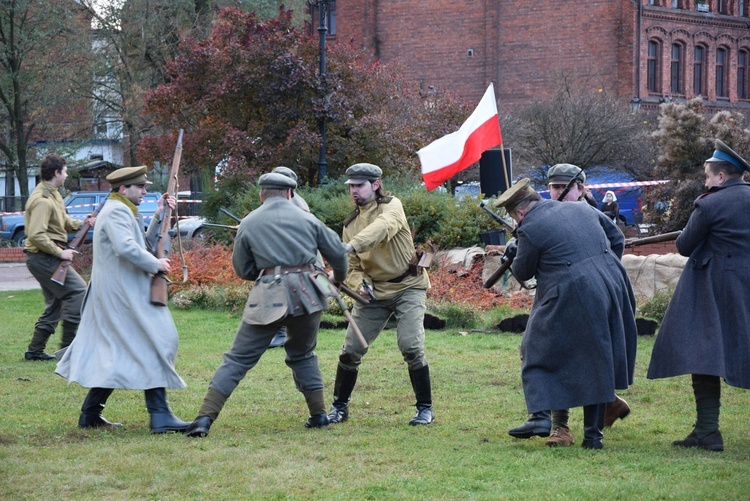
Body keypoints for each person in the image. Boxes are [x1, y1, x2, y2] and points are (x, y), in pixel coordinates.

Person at [185, 172, 348, 438]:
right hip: (309, 293)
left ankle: (204, 419)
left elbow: (243, 269)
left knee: (237, 358)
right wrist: (338, 279)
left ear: (262, 194)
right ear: (289, 193)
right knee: (303, 353)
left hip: (269, 294)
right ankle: (319, 415)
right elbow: (339, 252)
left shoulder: (250, 222)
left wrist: (267, 273)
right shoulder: (309, 219)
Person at [500, 175, 637, 449]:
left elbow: (524, 271)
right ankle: (592, 437)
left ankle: (542, 418)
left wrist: (513, 253)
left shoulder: (530, 227)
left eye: (516, 218)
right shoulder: (583, 208)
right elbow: (616, 237)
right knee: (595, 356)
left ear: (520, 211)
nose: (517, 223)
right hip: (613, 285)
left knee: (536, 348)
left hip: (574, 291)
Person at [55, 166, 189, 433]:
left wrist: (162, 215)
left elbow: (142, 243)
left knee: (116, 353)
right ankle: (160, 416)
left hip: (120, 294)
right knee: (157, 341)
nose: (144, 191)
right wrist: (157, 264)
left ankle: (90, 414)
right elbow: (126, 248)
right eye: (140, 187)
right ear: (123, 189)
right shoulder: (117, 211)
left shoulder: (122, 210)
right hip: (122, 295)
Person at [647, 139, 750, 452]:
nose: (706, 181)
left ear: (720, 177)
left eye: (708, 176)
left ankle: (707, 431)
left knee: (703, 355)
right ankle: (704, 432)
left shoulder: (709, 203)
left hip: (716, 288)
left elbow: (685, 245)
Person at [326, 163, 434, 427]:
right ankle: (339, 408)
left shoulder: (392, 207)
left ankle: (425, 409)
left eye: (359, 185)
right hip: (374, 293)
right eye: (351, 185)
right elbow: (351, 267)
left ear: (375, 185)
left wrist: (349, 245)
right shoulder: (350, 224)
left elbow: (382, 229)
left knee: (411, 346)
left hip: (408, 286)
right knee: (350, 350)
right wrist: (358, 282)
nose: (354, 190)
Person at [23, 154, 95, 361]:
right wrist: (60, 252)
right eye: (64, 171)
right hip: (43, 257)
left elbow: (61, 222)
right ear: (56, 173)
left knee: (56, 301)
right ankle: (68, 350)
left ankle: (35, 351)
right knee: (79, 292)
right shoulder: (42, 200)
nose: (66, 175)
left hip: (45, 257)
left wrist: (84, 223)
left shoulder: (54, 194)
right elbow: (36, 235)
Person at [266, 166, 316, 348]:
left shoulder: (294, 205)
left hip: (299, 262)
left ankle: (281, 334)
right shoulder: (289, 201)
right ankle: (282, 333)